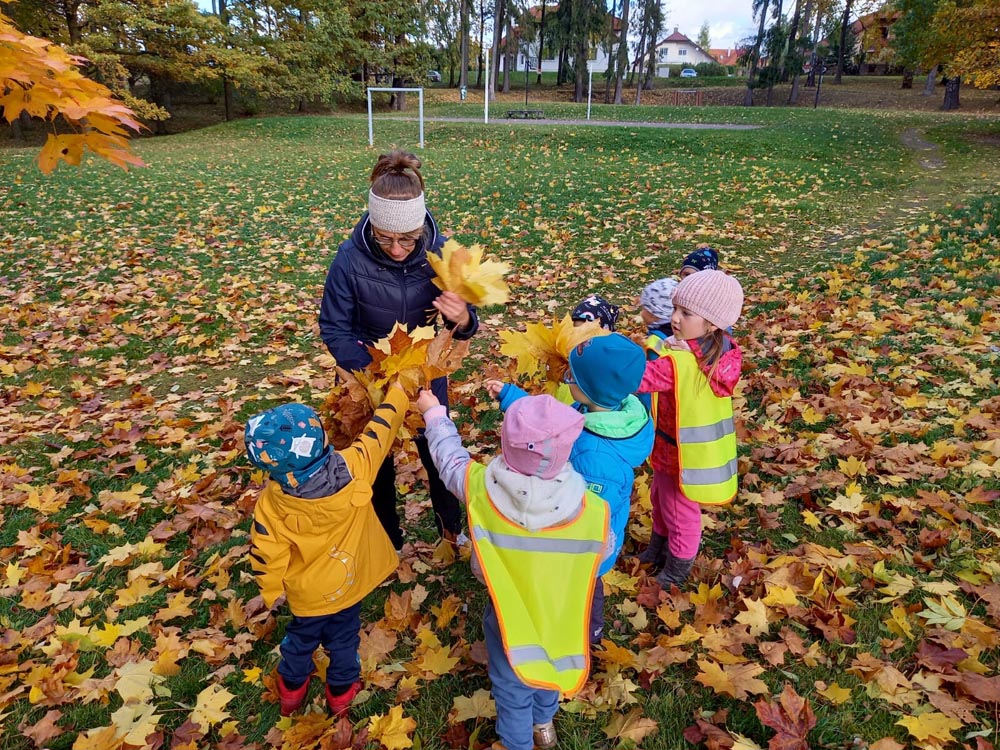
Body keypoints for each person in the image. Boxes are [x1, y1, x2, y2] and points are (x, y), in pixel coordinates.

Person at [417, 390, 609, 750]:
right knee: (547, 668)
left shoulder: (480, 488)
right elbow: (604, 549)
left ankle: (517, 742)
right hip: (559, 611)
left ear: (506, 443)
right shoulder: (591, 509)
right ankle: (544, 726)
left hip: (509, 611)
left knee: (511, 684)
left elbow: (449, 461)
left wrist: (435, 415)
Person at [318, 150, 478, 550]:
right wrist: (374, 369)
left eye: (406, 239)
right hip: (370, 377)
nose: (395, 248)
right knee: (375, 461)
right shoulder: (349, 259)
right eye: (384, 238)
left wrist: (462, 317)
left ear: (420, 228)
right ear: (372, 226)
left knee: (437, 450)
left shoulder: (441, 254)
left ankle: (450, 532)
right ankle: (387, 540)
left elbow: (465, 323)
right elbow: (334, 328)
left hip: (423, 376)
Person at [244, 383, 409, 716]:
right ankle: (341, 697)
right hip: (348, 586)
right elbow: (381, 429)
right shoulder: (356, 464)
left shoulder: (272, 506)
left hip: (307, 597)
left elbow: (266, 554)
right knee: (344, 641)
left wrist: (271, 590)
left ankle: (291, 691)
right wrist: (400, 390)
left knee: (300, 640)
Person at [487, 334, 653, 644]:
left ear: (590, 388)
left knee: (585, 590)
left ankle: (587, 636)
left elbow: (590, 514)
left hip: (585, 549)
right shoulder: (603, 409)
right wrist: (511, 397)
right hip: (574, 543)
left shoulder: (596, 457)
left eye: (571, 377)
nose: (566, 379)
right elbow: (552, 423)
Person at [633, 270, 744, 588]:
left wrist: (605, 364)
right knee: (660, 497)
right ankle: (658, 548)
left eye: (686, 313)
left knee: (680, 511)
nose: (675, 319)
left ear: (711, 323)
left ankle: (676, 569)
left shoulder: (680, 363)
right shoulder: (714, 351)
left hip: (682, 455)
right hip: (678, 449)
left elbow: (639, 379)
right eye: (675, 309)